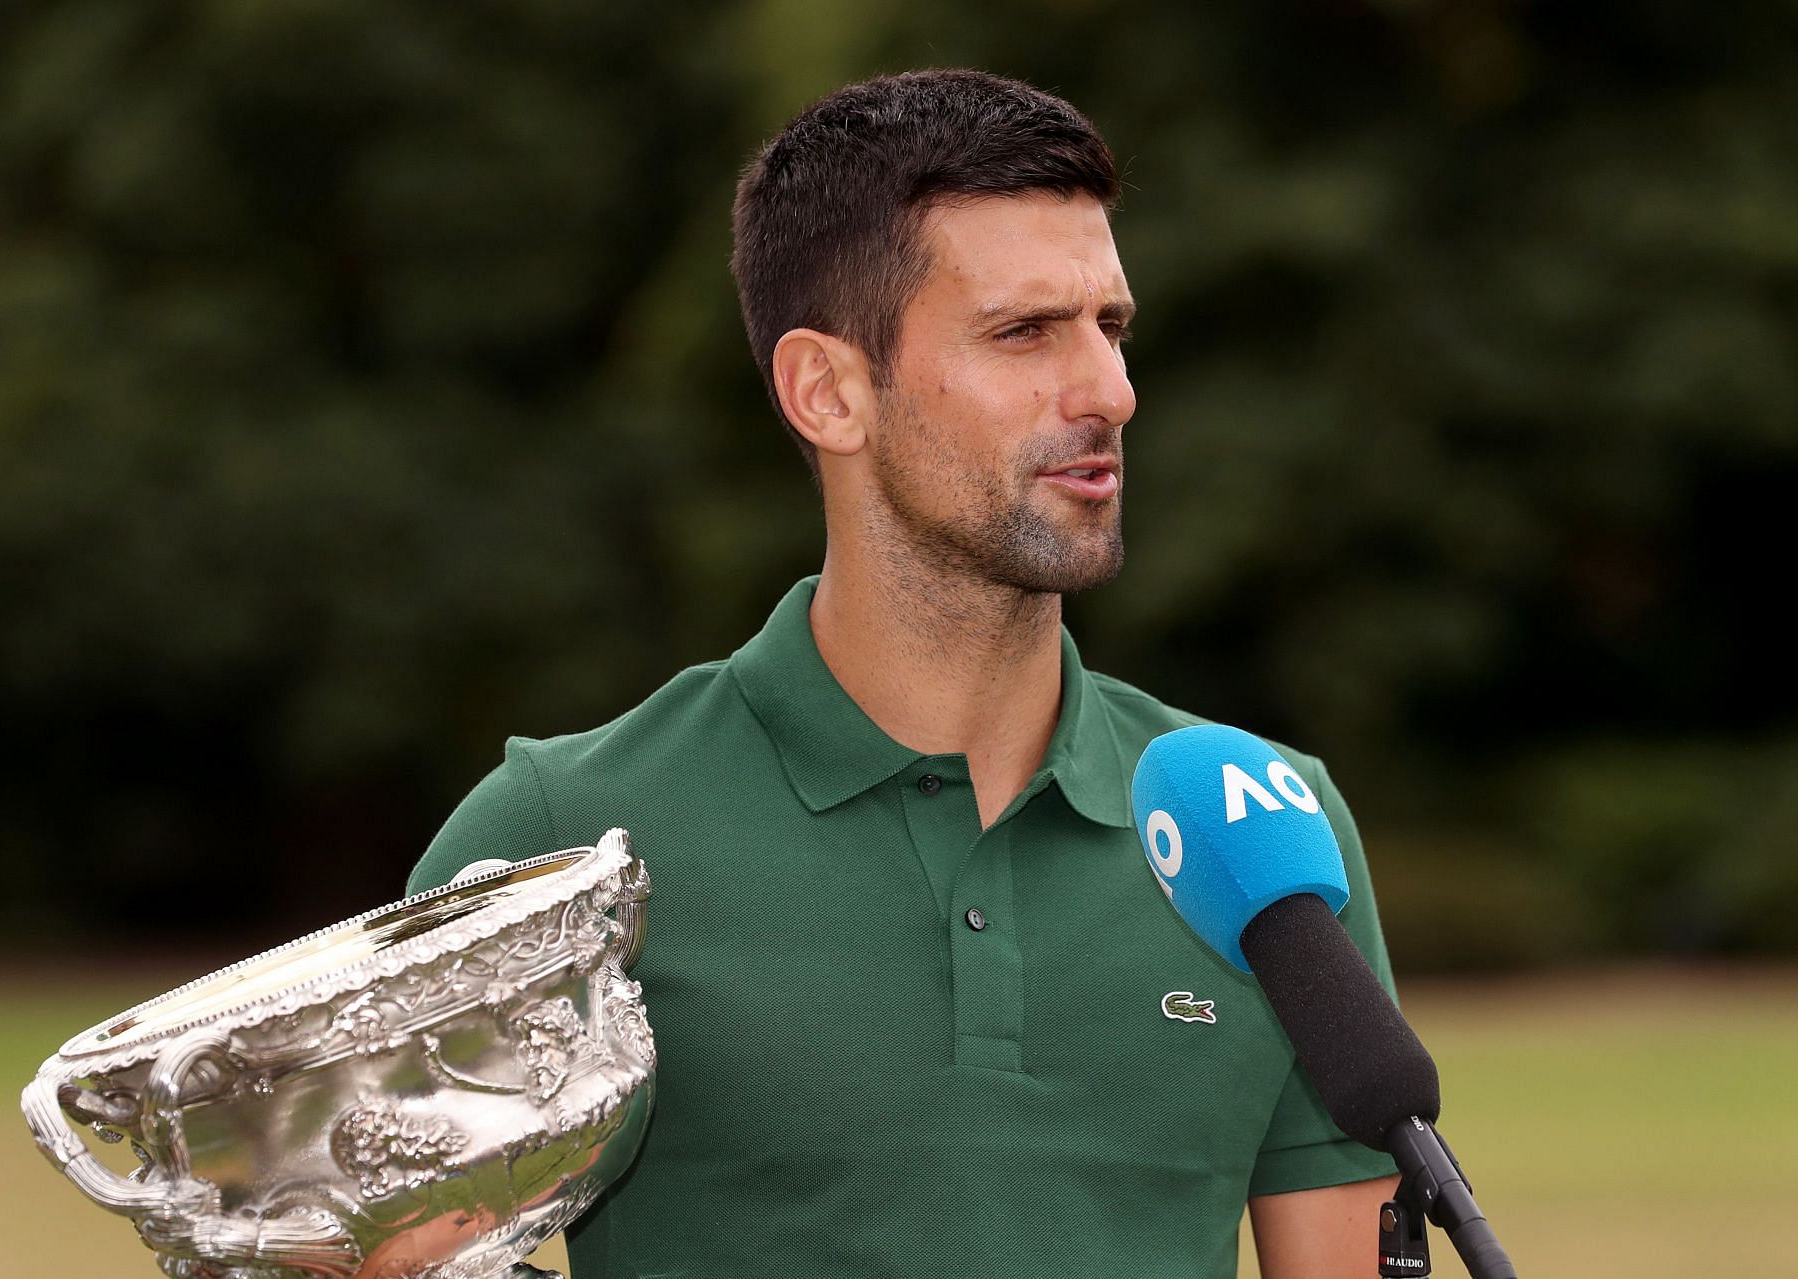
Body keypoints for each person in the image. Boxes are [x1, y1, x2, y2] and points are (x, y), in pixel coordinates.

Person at [408, 69, 1399, 1278]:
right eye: (1024, 332)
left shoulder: (1265, 828)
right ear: (828, 390)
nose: (1109, 391)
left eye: (1111, 327)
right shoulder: (560, 840)